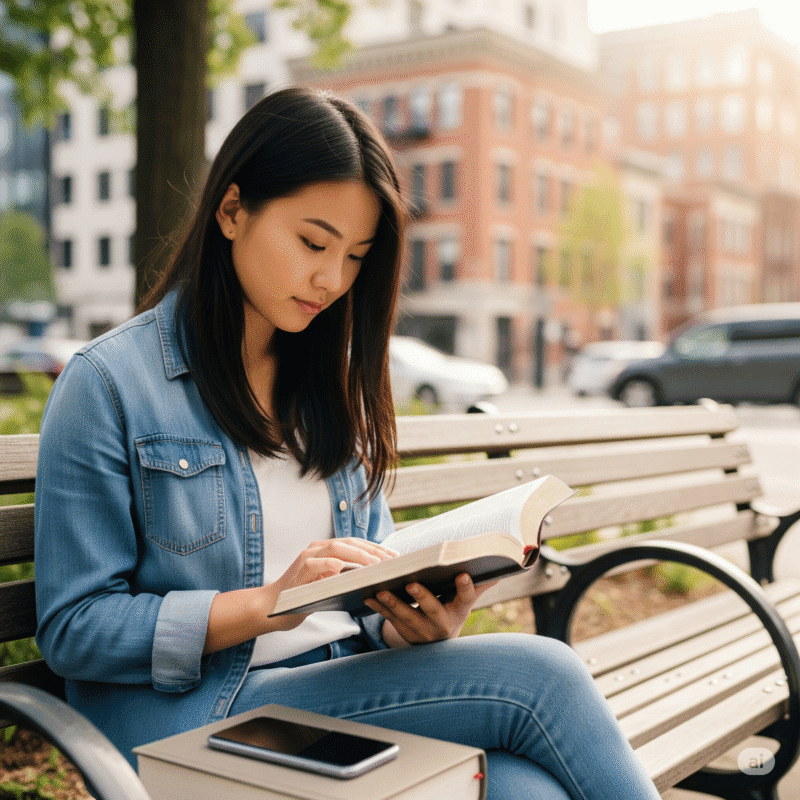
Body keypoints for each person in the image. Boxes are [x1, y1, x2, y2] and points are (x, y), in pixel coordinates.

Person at [34, 86, 660, 800]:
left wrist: (410, 625)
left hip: (331, 692)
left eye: (356, 256)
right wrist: (267, 603)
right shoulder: (110, 383)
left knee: (525, 791)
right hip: (197, 719)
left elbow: (361, 595)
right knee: (545, 676)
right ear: (232, 211)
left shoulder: (328, 384)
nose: (331, 280)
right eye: (313, 243)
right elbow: (74, 628)